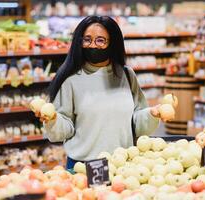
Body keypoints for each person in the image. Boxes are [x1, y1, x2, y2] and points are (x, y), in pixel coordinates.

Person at [34, 16, 171, 169]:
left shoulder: (126, 75)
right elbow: (65, 128)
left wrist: (152, 113)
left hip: (124, 164)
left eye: (100, 40)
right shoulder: (71, 80)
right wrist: (52, 119)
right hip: (84, 166)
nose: (93, 45)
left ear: (113, 44)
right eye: (87, 39)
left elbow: (136, 122)